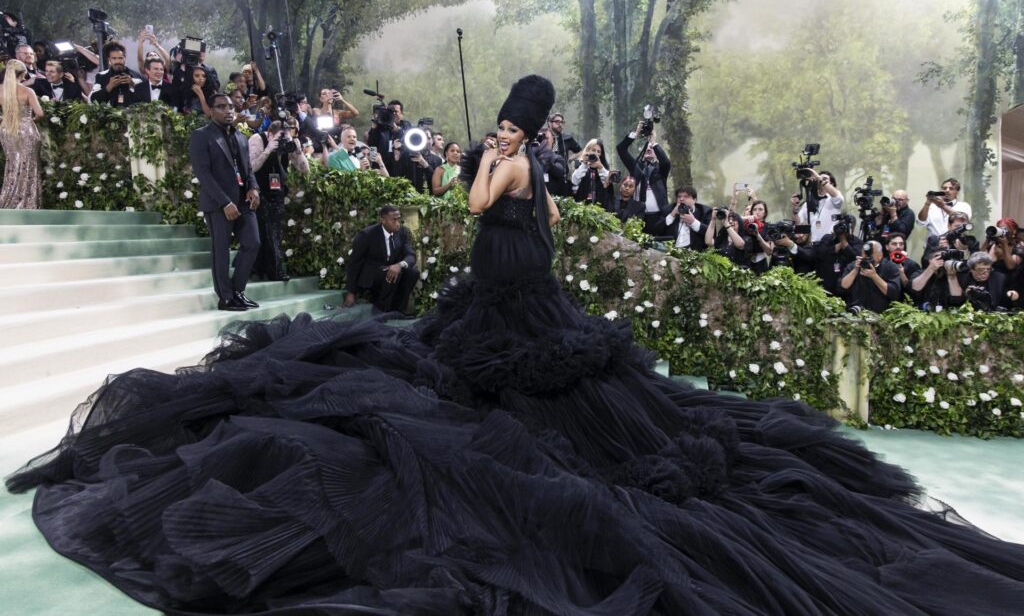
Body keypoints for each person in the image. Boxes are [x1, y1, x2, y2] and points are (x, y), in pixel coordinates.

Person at [7, 74, 1024, 616]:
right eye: (499, 118)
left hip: (521, 309)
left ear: (529, 129)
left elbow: (477, 196)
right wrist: (480, 160)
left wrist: (498, 156)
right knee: (447, 398)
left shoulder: (524, 170)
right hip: (487, 303)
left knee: (529, 424)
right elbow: (448, 198)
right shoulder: (510, 158)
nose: (498, 127)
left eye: (510, 120)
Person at [187, 93, 260, 311]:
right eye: (221, 107)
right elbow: (203, 173)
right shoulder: (201, 135)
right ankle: (225, 298)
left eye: (230, 106)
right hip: (219, 203)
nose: (228, 110)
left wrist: (254, 187)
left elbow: (247, 168)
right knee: (221, 250)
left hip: (244, 201)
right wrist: (225, 203)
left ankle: (237, 291)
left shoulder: (240, 136)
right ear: (210, 110)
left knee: (253, 243)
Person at [249, 119, 308, 282]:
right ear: (270, 134)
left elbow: (304, 170)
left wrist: (297, 150)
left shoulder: (288, 143)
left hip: (278, 192)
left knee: (275, 231)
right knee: (265, 231)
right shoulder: (258, 139)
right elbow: (251, 167)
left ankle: (263, 268)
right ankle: (274, 270)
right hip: (258, 191)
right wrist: (268, 149)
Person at [344, 205, 418, 314]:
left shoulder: (402, 232)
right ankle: (380, 310)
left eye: (399, 219)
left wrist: (399, 265)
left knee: (413, 272)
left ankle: (398, 310)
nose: (398, 223)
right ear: (382, 220)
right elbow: (354, 263)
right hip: (372, 276)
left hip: (391, 272)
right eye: (394, 220)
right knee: (389, 272)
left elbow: (411, 255)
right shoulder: (367, 235)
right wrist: (351, 293)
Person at [0, 59, 44, 209]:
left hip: (7, 129)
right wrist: (28, 119)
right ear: (24, 73)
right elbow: (40, 113)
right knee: (29, 165)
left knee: (13, 164)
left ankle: (9, 200)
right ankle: (28, 203)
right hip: (26, 130)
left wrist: (5, 118)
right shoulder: (28, 91)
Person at [616, 121, 671, 234]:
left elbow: (665, 163)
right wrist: (635, 134)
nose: (650, 148)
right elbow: (621, 149)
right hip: (636, 216)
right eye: (648, 147)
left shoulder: (660, 171)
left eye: (652, 148)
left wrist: (653, 142)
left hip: (658, 217)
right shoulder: (636, 168)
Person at [795, 169, 844, 243]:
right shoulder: (809, 202)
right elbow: (798, 222)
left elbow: (838, 197)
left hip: (831, 244)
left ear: (832, 184)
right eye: (818, 179)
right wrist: (794, 208)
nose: (820, 180)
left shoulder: (834, 199)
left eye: (825, 179)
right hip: (815, 246)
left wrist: (818, 177)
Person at [661, 186, 711, 250]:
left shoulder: (705, 212)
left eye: (686, 196)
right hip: (670, 251)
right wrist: (672, 215)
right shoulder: (668, 209)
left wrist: (693, 222)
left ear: (694, 200)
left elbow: (711, 234)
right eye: (679, 197)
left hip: (694, 253)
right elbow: (656, 230)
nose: (681, 199)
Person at [569, 138, 611, 205]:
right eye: (593, 150)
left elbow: (608, 183)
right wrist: (584, 164)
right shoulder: (580, 164)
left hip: (599, 205)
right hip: (582, 204)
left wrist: (600, 167)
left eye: (598, 151)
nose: (596, 153)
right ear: (588, 151)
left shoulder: (603, 166)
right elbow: (574, 181)